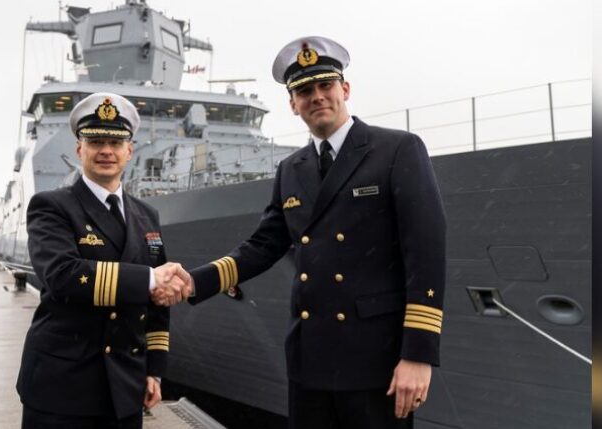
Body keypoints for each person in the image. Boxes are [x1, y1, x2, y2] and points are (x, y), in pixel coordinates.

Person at [184, 36, 447, 428]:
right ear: (293, 104)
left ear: (345, 89)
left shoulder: (396, 150)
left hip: (377, 359)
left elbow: (426, 253)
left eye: (326, 85)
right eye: (305, 91)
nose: (317, 97)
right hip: (310, 360)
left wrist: (418, 355)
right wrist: (194, 282)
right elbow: (264, 245)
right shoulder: (291, 169)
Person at [16, 92, 192, 428]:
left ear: (130, 150)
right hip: (62, 387)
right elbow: (63, 276)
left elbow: (157, 306)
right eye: (96, 142)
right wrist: (150, 278)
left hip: (125, 385)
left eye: (115, 142)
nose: (106, 151)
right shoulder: (51, 206)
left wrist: (154, 369)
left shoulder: (147, 215)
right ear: (79, 149)